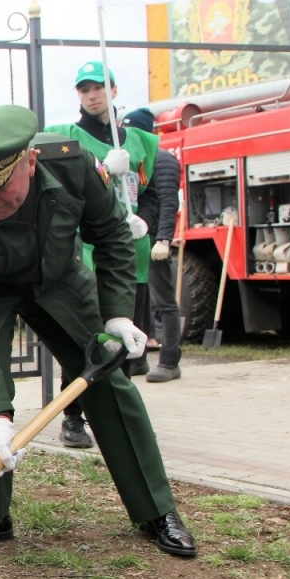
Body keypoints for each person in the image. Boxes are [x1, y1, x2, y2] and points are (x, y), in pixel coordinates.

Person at [0, 104, 196, 558]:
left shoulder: (70, 163)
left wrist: (116, 315)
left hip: (59, 281)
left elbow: (111, 234)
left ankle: (156, 510)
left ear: (30, 161)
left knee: (109, 382)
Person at [44, 61, 159, 447]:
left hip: (131, 252)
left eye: (98, 87)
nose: (92, 95)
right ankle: (73, 417)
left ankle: (115, 414)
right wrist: (101, 170)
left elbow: (155, 193)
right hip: (87, 250)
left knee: (123, 336)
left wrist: (146, 220)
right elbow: (59, 190)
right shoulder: (66, 137)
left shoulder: (142, 141)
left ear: (113, 90)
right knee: (85, 338)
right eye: (84, 89)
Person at [121, 108, 183, 383]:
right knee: (140, 302)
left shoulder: (164, 159)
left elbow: (168, 202)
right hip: (137, 241)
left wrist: (163, 239)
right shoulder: (140, 158)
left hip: (155, 240)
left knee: (164, 302)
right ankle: (139, 359)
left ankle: (170, 361)